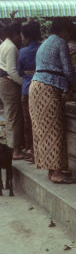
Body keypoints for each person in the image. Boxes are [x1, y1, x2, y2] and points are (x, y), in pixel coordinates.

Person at [30, 18, 76, 184]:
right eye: (70, 33)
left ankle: (52, 170)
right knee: (55, 129)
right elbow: (68, 69)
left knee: (43, 130)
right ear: (64, 31)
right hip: (48, 88)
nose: (70, 36)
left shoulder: (45, 43)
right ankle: (58, 172)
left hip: (36, 86)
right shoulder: (61, 42)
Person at [0, 22, 25, 160]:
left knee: (10, 114)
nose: (21, 38)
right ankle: (16, 150)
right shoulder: (11, 47)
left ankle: (12, 148)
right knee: (14, 115)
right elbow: (12, 71)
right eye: (20, 35)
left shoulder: (4, 44)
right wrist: (23, 83)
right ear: (15, 34)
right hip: (9, 82)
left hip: (3, 82)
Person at [17, 21, 42, 161]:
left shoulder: (23, 51)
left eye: (22, 36)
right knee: (41, 121)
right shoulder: (43, 48)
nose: (21, 39)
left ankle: (31, 150)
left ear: (27, 37)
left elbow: (19, 71)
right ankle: (40, 150)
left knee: (28, 121)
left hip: (26, 89)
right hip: (42, 88)